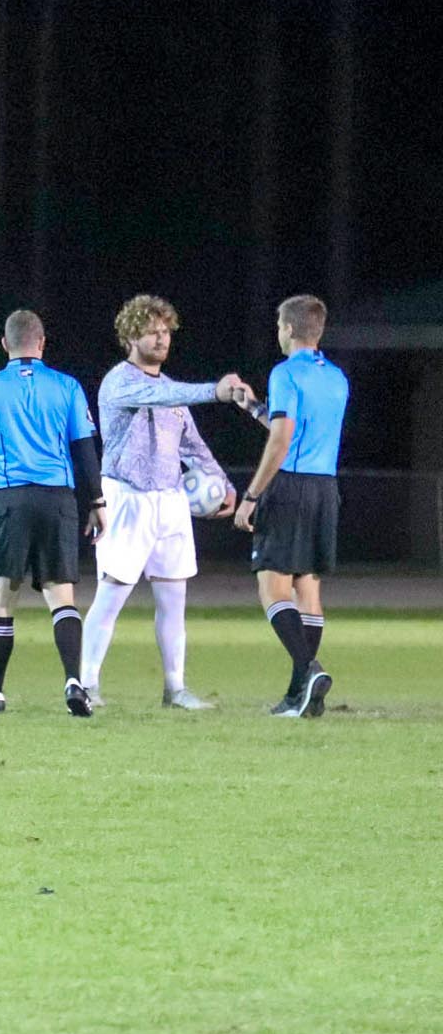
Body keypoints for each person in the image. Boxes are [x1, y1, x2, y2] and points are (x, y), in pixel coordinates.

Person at [76, 295, 257, 710]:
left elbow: (192, 444)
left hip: (171, 501)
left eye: (165, 332)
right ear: (129, 336)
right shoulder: (120, 382)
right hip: (127, 497)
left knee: (173, 601)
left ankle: (175, 689)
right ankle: (86, 684)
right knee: (112, 595)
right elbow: (161, 396)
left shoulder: (169, 390)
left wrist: (223, 484)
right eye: (151, 331)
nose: (160, 339)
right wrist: (217, 391)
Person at [0, 309, 104, 716]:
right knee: (62, 597)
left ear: (5, 344)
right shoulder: (67, 387)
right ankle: (75, 682)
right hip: (58, 499)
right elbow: (84, 449)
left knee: (3, 597)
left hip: (10, 499)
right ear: (42, 342)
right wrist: (97, 501)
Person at [234, 294, 349, 717]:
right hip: (325, 487)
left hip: (291, 487)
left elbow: (282, 439)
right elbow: (291, 426)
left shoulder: (285, 373)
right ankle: (299, 696)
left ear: (288, 329)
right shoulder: (336, 377)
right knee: (308, 587)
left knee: (272, 585)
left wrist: (251, 495)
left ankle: (308, 669)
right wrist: (252, 407)